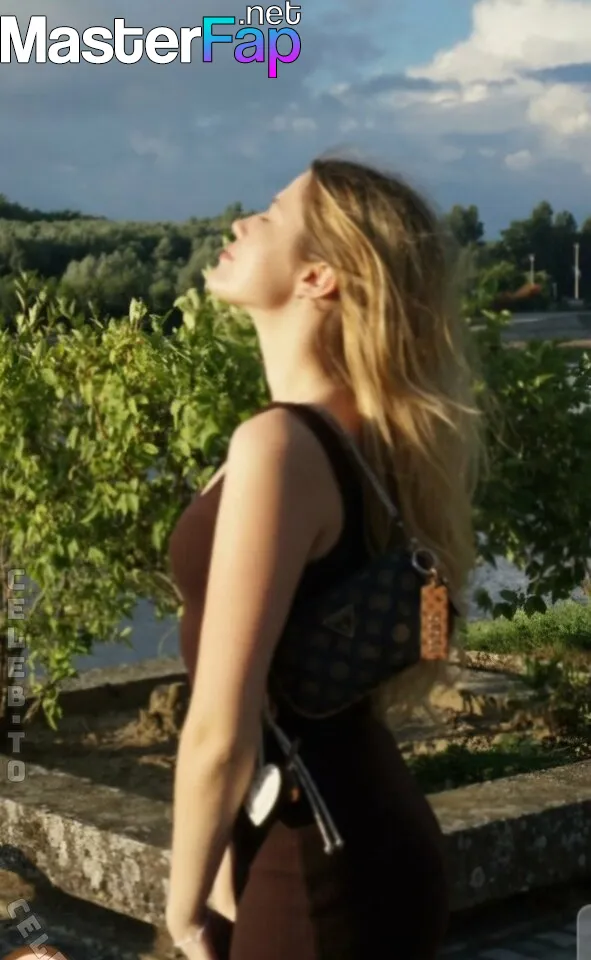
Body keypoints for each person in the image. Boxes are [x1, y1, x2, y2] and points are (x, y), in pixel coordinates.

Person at [165, 156, 483, 959]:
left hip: (314, 861)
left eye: (270, 214)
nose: (240, 221)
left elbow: (219, 729)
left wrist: (182, 906)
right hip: (349, 825)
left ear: (317, 276)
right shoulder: (364, 439)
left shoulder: (279, 446)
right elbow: (428, 632)